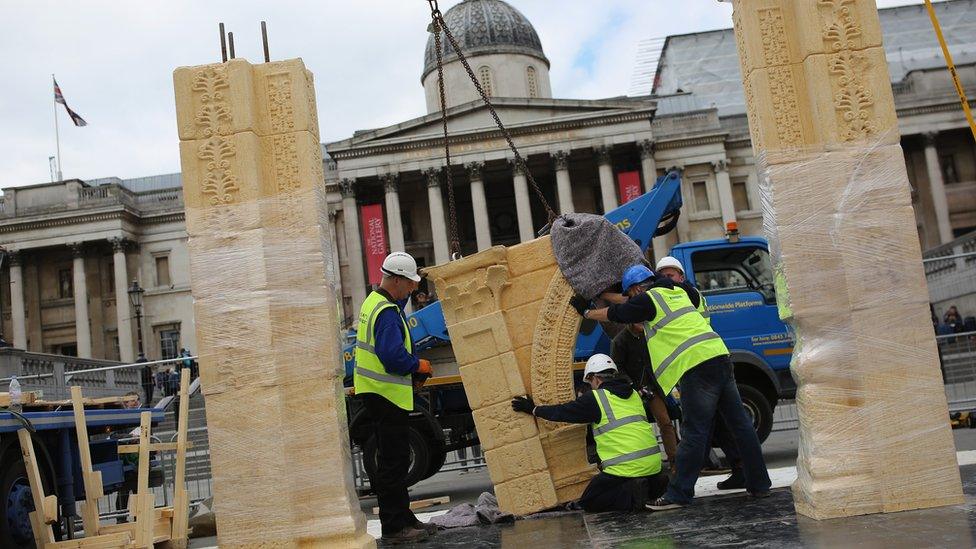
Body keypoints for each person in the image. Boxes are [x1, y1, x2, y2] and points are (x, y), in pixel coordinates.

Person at [571, 263, 771, 510]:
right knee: (741, 426)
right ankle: (759, 484)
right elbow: (629, 300)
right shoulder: (681, 290)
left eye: (632, 293)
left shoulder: (649, 299)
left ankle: (678, 493)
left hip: (695, 366)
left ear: (636, 289)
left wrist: (587, 313)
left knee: (695, 433)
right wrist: (604, 295)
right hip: (719, 357)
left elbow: (618, 313)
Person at [511, 354, 669, 512]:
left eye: (590, 382)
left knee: (590, 500)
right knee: (620, 482)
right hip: (654, 464)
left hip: (625, 467)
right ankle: (655, 485)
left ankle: (633, 494)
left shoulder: (597, 398)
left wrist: (533, 409)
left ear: (595, 378)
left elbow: (564, 412)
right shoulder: (634, 395)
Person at [353, 252, 435, 543]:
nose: (413, 289)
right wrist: (417, 366)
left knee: (395, 460)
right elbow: (391, 356)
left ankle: (403, 518)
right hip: (385, 394)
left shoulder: (376, 302)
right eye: (410, 283)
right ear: (396, 279)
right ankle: (394, 527)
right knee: (393, 463)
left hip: (379, 394)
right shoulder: (386, 311)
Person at [656, 256, 744, 489]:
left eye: (670, 275)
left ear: (681, 277)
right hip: (705, 363)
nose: (667, 280)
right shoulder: (679, 295)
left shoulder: (684, 294)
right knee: (720, 425)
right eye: (662, 276)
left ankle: (681, 487)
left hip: (699, 367)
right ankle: (740, 470)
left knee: (695, 431)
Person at [610, 324, 678, 470]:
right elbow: (618, 369)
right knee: (639, 426)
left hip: (655, 386)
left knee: (665, 422)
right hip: (635, 389)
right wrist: (633, 386)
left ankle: (675, 462)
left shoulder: (650, 334)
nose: (643, 323)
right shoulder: (619, 341)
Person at [116, 392, 141, 522]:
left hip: (139, 460)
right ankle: (121, 518)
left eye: (136, 400)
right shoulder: (120, 418)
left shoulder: (142, 416)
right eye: (132, 401)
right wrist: (129, 438)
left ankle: (138, 516)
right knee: (123, 491)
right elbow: (115, 435)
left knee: (138, 490)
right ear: (126, 404)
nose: (135, 403)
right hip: (125, 461)